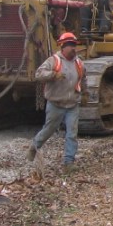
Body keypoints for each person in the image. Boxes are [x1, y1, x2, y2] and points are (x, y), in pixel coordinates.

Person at [27, 32, 87, 167]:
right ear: (63, 47)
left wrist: (85, 94)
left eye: (74, 45)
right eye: (70, 45)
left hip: (72, 104)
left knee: (72, 133)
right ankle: (34, 147)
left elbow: (83, 79)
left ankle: (68, 162)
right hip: (56, 104)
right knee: (49, 129)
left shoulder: (79, 63)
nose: (73, 48)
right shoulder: (54, 61)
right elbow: (39, 74)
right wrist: (53, 75)